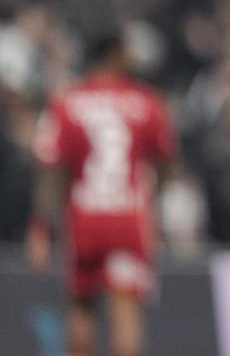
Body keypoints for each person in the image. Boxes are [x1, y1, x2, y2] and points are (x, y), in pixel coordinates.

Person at [26, 31, 177, 356]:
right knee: (126, 313)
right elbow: (166, 161)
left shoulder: (68, 103)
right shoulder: (145, 102)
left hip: (84, 217)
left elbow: (52, 172)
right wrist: (153, 199)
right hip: (127, 217)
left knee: (81, 307)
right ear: (116, 54)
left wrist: (40, 227)